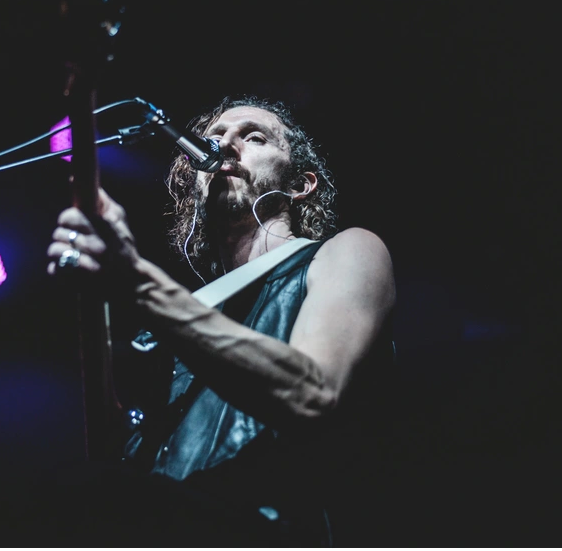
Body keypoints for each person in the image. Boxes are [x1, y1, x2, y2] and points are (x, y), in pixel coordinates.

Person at [41, 94, 397, 547]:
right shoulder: (187, 310)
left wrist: (139, 284)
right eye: (214, 137)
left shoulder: (346, 251)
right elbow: (121, 450)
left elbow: (314, 392)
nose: (224, 145)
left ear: (299, 184)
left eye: (254, 137)